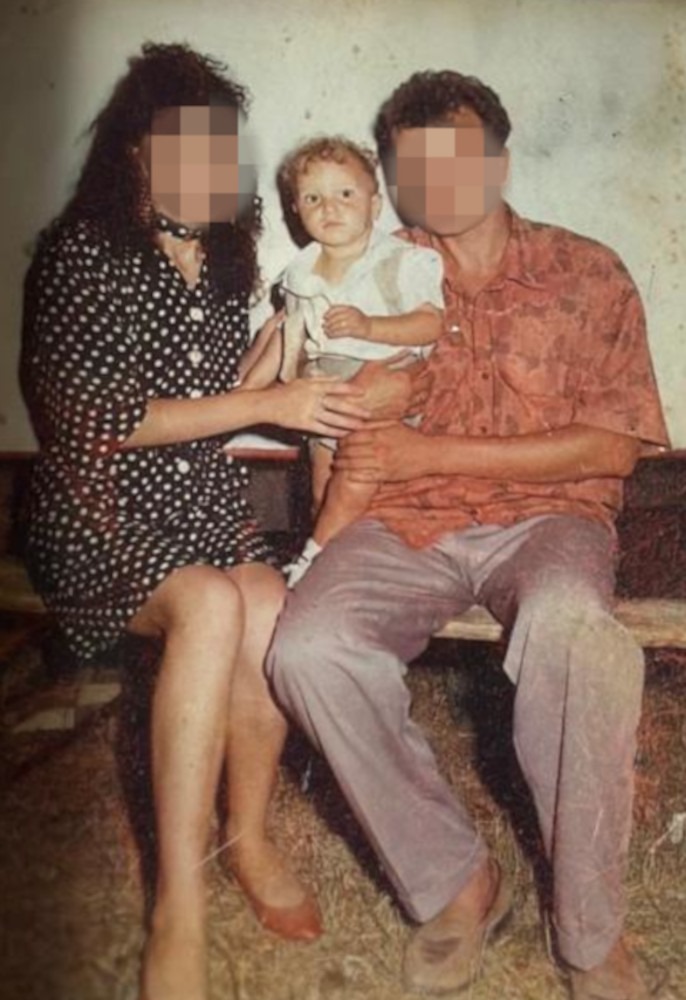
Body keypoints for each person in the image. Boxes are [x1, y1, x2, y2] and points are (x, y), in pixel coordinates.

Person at [268, 70, 669, 1000]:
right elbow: (312, 390)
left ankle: (589, 931)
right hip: (407, 520)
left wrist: (428, 451)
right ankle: (456, 884)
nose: (437, 183)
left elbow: (613, 446)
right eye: (415, 166)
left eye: (457, 159)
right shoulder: (370, 268)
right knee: (309, 647)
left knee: (574, 634)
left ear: (498, 160)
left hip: (551, 518)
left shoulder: (587, 271)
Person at [19, 43, 376, 1000]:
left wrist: (277, 361)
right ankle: (176, 903)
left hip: (200, 506)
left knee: (266, 603)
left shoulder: (224, 260)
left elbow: (213, 406)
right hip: (95, 508)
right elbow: (98, 420)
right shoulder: (82, 254)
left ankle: (247, 838)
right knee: (213, 606)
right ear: (136, 151)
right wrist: (272, 402)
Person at [241, 136, 444, 585]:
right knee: (323, 487)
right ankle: (332, 560)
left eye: (345, 194)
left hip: (381, 384)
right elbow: (289, 333)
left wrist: (370, 326)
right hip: (323, 393)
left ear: (375, 205)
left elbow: (430, 325)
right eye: (313, 198)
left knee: (356, 476)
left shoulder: (402, 261)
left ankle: (313, 557)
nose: (329, 208)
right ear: (296, 210)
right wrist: (251, 390)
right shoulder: (299, 273)